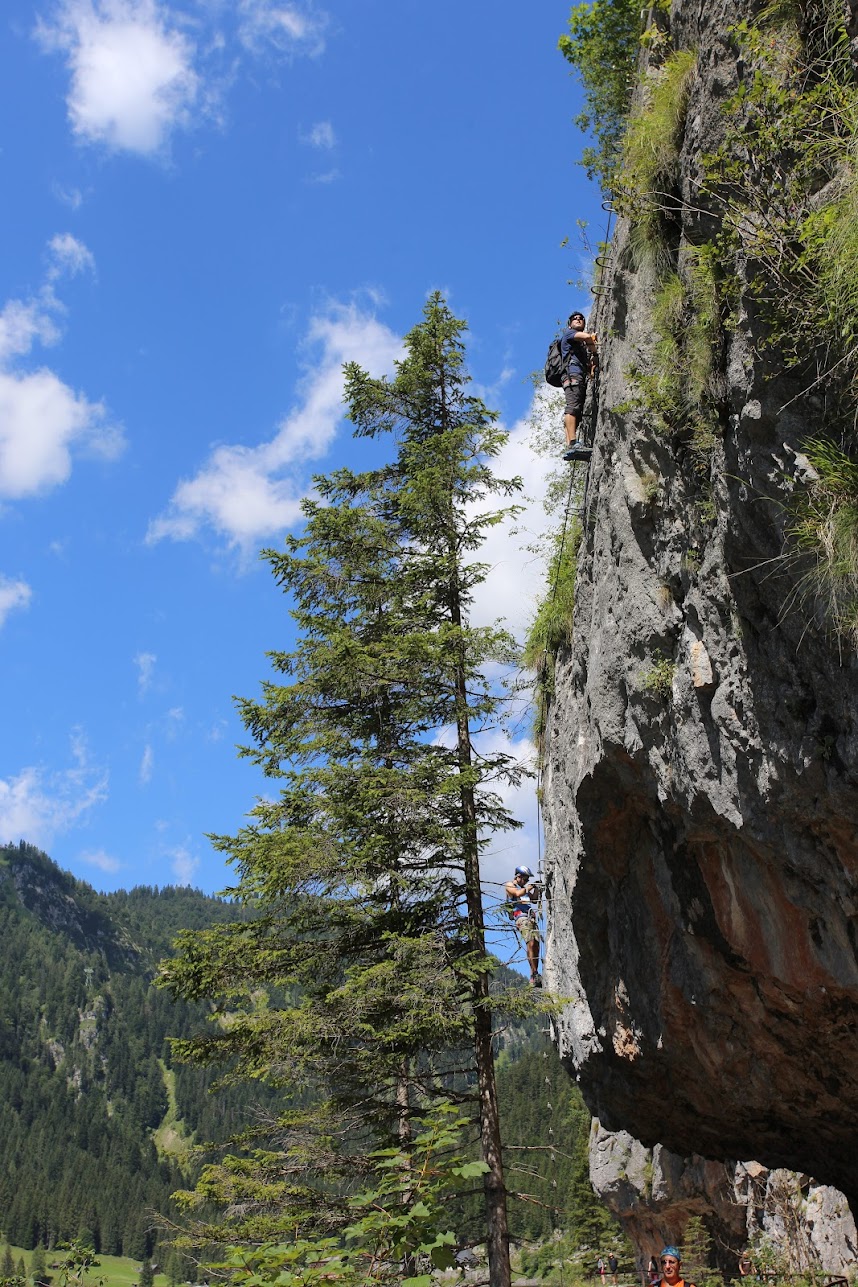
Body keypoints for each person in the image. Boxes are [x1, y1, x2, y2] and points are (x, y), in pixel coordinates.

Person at [560, 311, 598, 462]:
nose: (578, 319)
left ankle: (571, 445)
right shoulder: (569, 334)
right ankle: (573, 444)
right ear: (570, 324)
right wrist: (593, 348)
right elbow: (588, 337)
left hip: (577, 375)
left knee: (576, 410)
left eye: (581, 318)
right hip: (572, 375)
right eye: (574, 319)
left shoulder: (579, 347)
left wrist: (592, 362)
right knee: (572, 407)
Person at [505, 864, 541, 986]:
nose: (526, 882)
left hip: (531, 917)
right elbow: (518, 893)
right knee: (530, 942)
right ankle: (534, 972)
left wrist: (536, 888)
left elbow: (534, 900)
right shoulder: (510, 885)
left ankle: (534, 974)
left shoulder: (524, 889)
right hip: (521, 917)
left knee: (536, 944)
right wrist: (529, 887)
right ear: (518, 877)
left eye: (527, 880)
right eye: (525, 879)